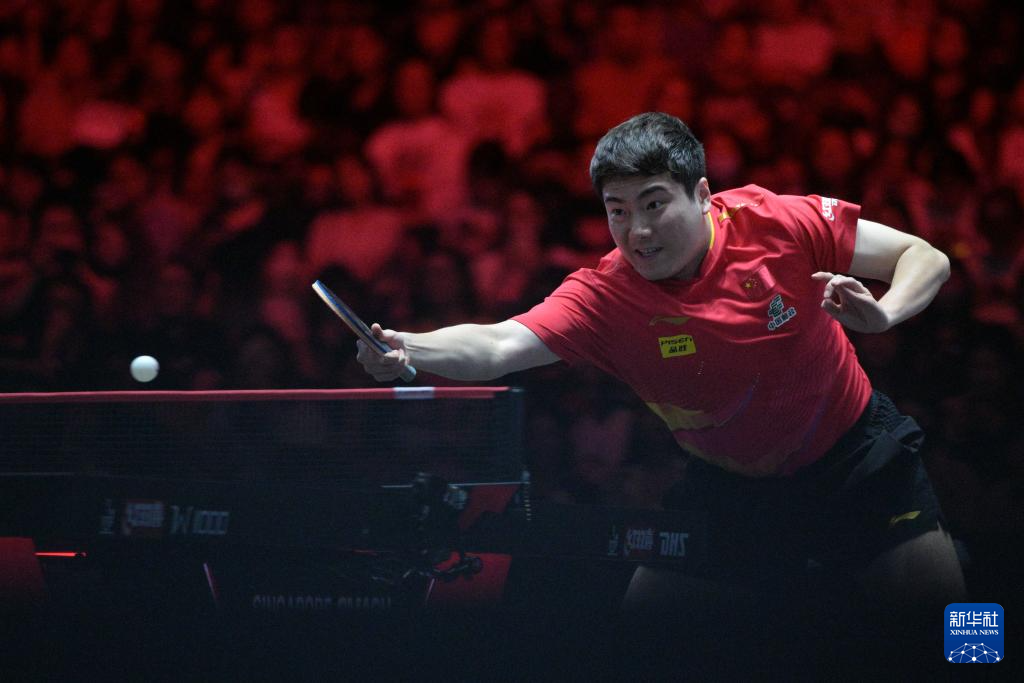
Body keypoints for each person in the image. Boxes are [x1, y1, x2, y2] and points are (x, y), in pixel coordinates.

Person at [354, 112, 966, 639]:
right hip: (730, 493)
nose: (638, 232)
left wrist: (883, 314)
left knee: (956, 631)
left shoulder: (775, 222)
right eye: (617, 212)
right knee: (641, 636)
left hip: (857, 463)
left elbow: (924, 256)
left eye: (654, 204)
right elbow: (498, 345)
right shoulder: (605, 297)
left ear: (702, 194)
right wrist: (408, 348)